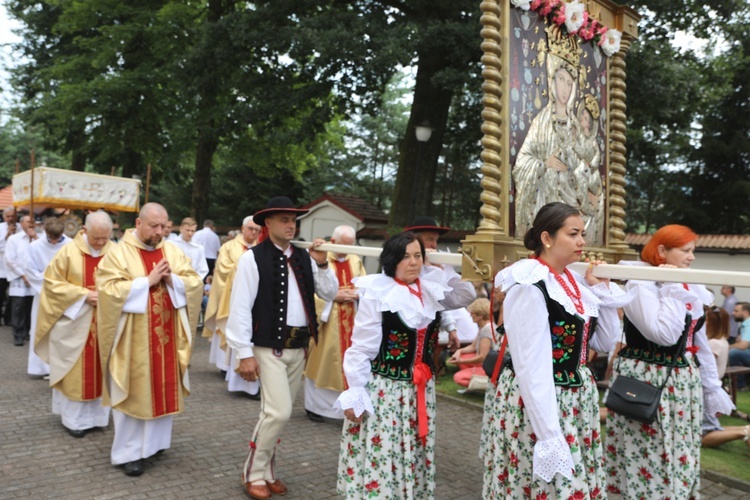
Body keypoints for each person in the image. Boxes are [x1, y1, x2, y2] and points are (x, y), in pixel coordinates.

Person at [483, 202, 625, 499]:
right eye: (573, 234)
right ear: (547, 238)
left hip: (573, 397)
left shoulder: (572, 282)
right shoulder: (530, 284)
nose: (582, 242)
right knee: (546, 484)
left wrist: (602, 290)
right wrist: (548, 434)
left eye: (582, 234)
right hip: (540, 399)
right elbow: (531, 366)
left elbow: (603, 341)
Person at [335, 231, 475, 498]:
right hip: (387, 391)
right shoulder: (378, 293)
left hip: (420, 390)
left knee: (412, 448)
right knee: (385, 450)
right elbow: (361, 347)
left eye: (417, 256)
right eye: (405, 256)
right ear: (392, 260)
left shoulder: (430, 290)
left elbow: (465, 295)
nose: (413, 262)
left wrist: (442, 267)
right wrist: (356, 391)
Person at [605, 224, 734, 499]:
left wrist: (712, 386)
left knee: (680, 447)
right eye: (686, 251)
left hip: (681, 380)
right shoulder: (640, 282)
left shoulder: (690, 284)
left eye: (693, 251)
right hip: (646, 376)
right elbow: (663, 334)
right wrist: (673, 286)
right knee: (649, 450)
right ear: (662, 251)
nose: (692, 257)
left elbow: (696, 342)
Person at [224, 196, 338, 500]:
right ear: (268, 223)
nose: (291, 225)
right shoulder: (253, 257)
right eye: (285, 220)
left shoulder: (304, 257)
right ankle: (252, 472)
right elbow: (239, 308)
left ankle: (267, 472)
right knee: (278, 412)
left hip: (298, 347)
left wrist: (323, 261)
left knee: (277, 414)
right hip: (267, 347)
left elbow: (330, 292)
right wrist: (244, 353)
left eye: (293, 220)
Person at [96, 203, 203, 477]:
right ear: (139, 222)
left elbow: (194, 282)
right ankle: (129, 454)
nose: (159, 232)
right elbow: (108, 290)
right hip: (133, 342)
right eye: (154, 226)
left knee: (162, 387)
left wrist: (173, 281)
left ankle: (154, 446)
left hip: (167, 340)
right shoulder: (118, 253)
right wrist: (146, 281)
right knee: (134, 391)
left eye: (164, 226)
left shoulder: (172, 250)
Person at [34, 211, 113, 437]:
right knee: (76, 371)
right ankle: (75, 422)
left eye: (105, 238)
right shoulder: (68, 252)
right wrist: (83, 295)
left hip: (106, 323)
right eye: (96, 237)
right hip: (75, 323)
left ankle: (99, 418)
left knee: (103, 369)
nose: (100, 243)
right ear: (85, 231)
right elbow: (52, 285)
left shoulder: (116, 252)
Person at [303, 225, 366, 422]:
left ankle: (346, 408)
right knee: (323, 363)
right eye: (343, 245)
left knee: (350, 363)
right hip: (328, 321)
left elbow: (364, 284)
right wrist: (332, 297)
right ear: (333, 242)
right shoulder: (320, 257)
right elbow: (307, 289)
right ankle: (315, 407)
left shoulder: (355, 259)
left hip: (352, 318)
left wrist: (358, 294)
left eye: (350, 245)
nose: (347, 250)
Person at [202, 215, 260, 399]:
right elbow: (223, 271)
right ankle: (228, 368)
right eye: (251, 229)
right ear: (243, 229)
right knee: (234, 330)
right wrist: (243, 268)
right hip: (233, 298)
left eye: (257, 230)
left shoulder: (261, 248)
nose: (254, 233)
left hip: (256, 300)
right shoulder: (229, 247)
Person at [404, 216, 462, 351]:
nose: (434, 245)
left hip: (428, 333)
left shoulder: (436, 267)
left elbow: (440, 300)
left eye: (436, 240)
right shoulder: (400, 265)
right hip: (403, 333)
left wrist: (451, 328)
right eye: (430, 239)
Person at [25, 217, 70, 377]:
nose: (53, 241)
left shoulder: (70, 245)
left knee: (62, 332)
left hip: (65, 296)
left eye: (57, 238)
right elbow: (30, 272)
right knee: (42, 330)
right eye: (51, 238)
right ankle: (41, 367)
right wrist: (50, 281)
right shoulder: (34, 247)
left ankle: (60, 368)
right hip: (43, 295)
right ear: (45, 233)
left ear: (62, 234)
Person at [701, 305, 750, 450]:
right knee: (710, 427)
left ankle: (744, 432)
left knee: (703, 435)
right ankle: (746, 429)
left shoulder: (713, 343)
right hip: (713, 388)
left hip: (706, 389)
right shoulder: (721, 341)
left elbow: (704, 366)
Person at [5, 214, 38, 346]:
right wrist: (23, 276)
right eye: (28, 221)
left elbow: (42, 254)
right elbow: (10, 260)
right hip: (19, 278)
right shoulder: (14, 239)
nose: (31, 224)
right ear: (21, 223)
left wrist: (35, 237)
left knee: (31, 307)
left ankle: (29, 332)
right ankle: (18, 334)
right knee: (18, 307)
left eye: (33, 221)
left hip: (35, 279)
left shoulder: (39, 238)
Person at [449, 298, 493, 387]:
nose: (470, 316)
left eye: (472, 314)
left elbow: (482, 357)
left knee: (458, 377)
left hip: (488, 364)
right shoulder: (483, 327)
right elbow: (473, 346)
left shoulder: (487, 329)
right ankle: (475, 375)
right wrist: (459, 351)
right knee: (462, 355)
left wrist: (461, 361)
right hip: (485, 362)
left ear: (480, 315)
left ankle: (484, 383)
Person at [0, 207, 18, 325]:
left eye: (13, 216)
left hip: (14, 268)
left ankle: (8, 318)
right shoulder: (0, 227)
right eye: (8, 216)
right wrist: (7, 235)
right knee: (0, 294)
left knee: (13, 295)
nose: (11, 219)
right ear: (4, 217)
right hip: (1, 267)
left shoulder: (21, 227)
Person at [728, 302, 750, 388]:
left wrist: (726, 347)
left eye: (736, 311)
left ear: (745, 312)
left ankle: (739, 384)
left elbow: (743, 346)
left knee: (733, 353)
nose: (733, 313)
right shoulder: (745, 324)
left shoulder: (748, 325)